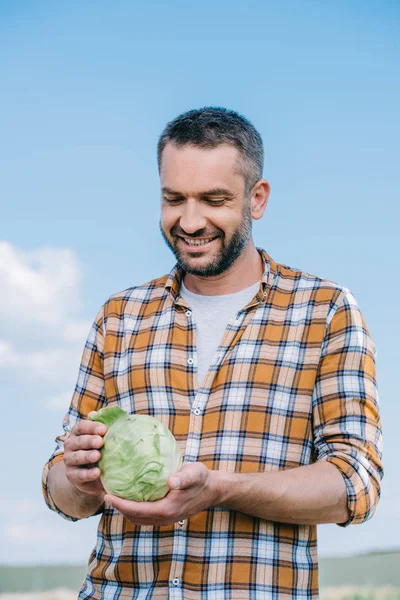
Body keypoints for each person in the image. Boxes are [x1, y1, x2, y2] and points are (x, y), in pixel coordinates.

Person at [42, 107, 383, 599]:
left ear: (257, 199)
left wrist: (224, 489)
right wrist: (78, 481)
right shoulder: (118, 317)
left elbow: (356, 484)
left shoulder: (325, 311)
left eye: (214, 199)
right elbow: (61, 490)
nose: (190, 220)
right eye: (173, 198)